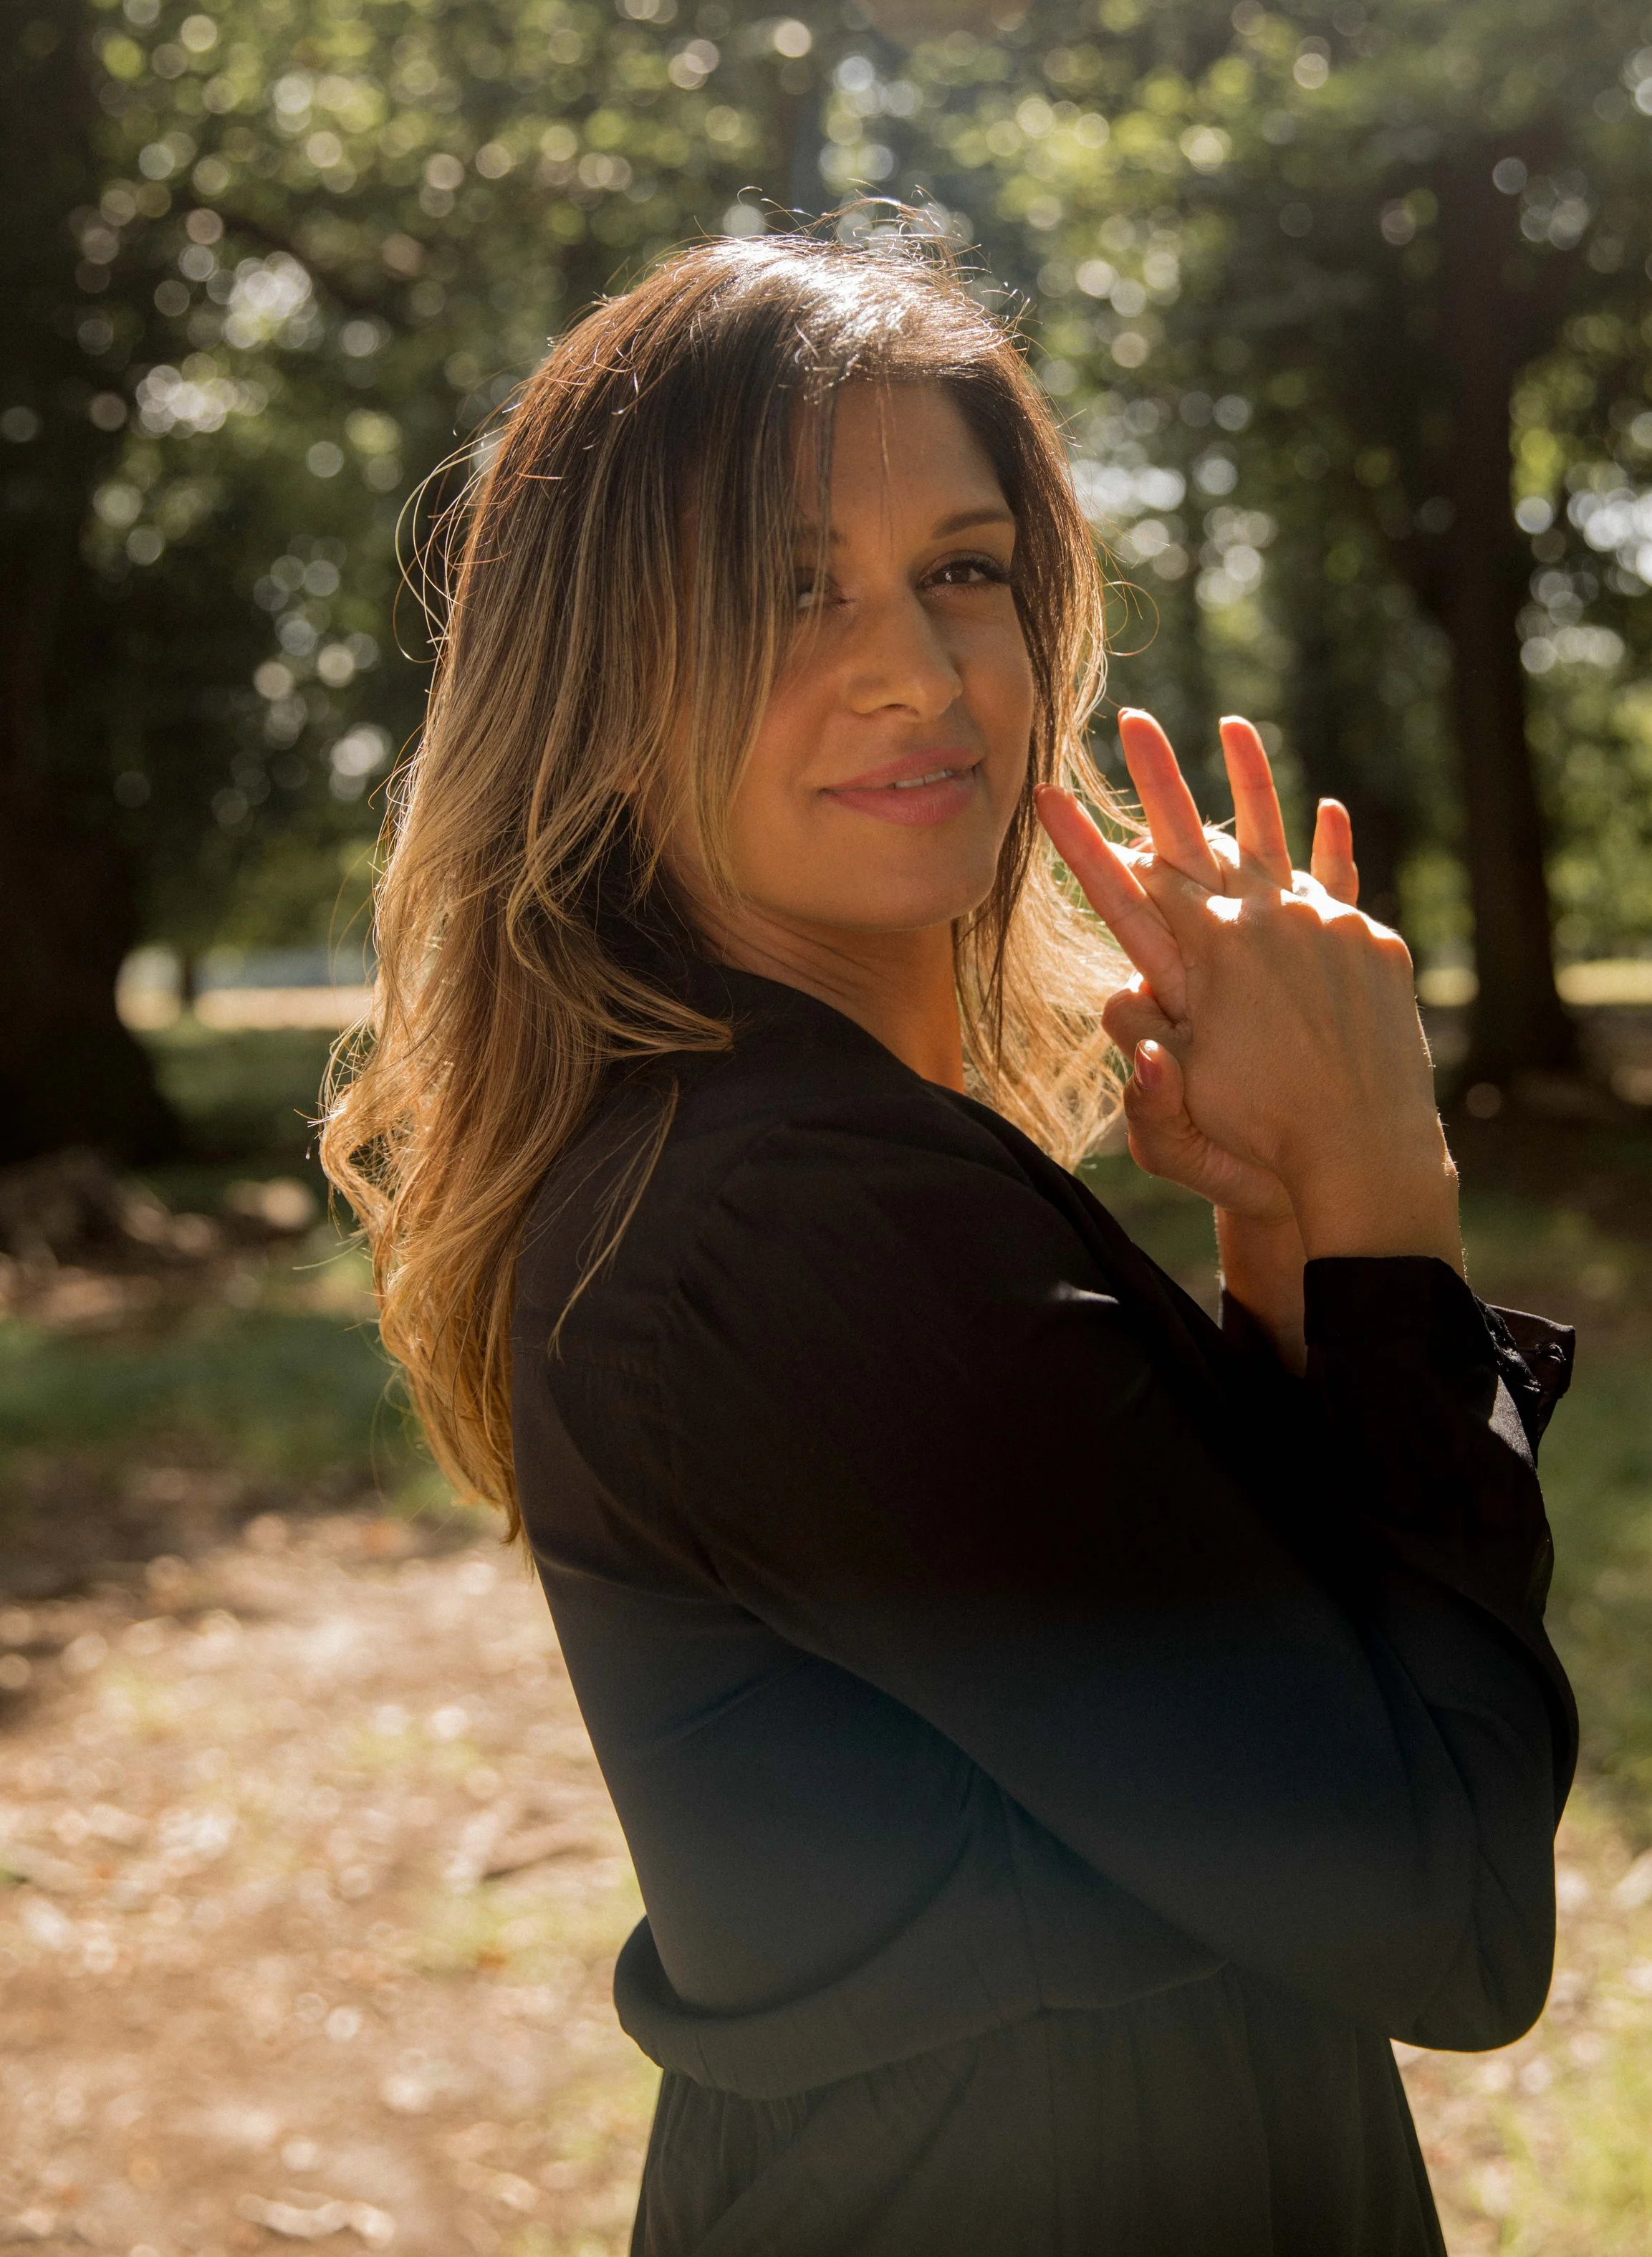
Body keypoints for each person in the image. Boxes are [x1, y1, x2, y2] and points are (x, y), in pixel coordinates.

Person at [323, 233, 1575, 2257]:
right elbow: (1443, 1911)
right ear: (599, 669)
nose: (909, 664)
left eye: (962, 568)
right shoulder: (790, 1217)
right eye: (785, 586)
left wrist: (1275, 1228)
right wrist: (1383, 1201)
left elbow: (1238, 1696)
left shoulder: (805, 1154)